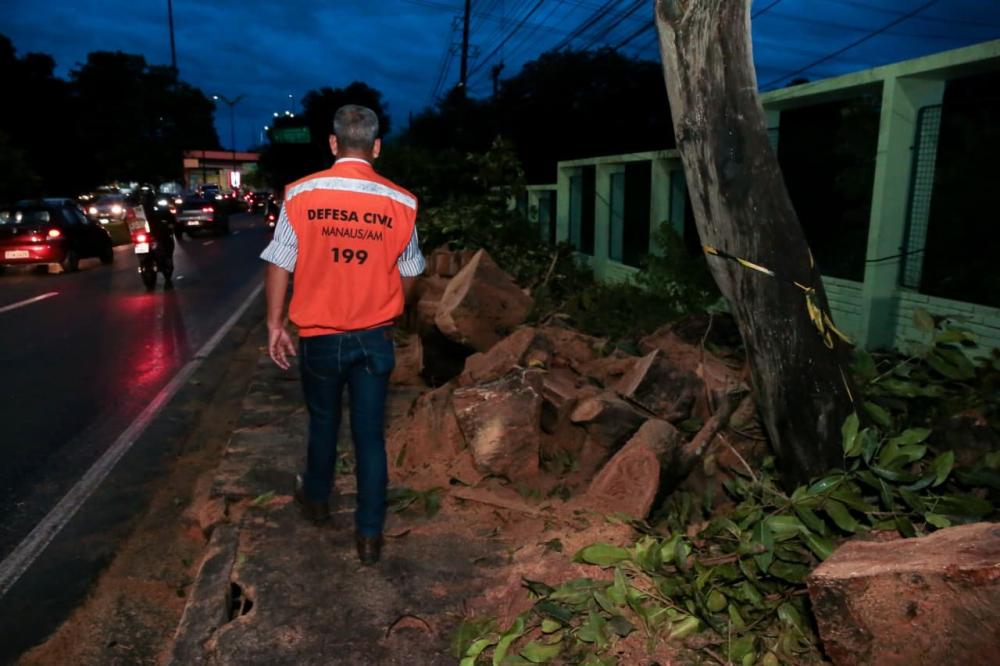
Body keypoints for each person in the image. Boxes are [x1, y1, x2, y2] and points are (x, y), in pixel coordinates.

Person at [260, 105, 425, 565]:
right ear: (376, 147)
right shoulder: (402, 202)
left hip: (320, 337)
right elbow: (412, 272)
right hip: (375, 337)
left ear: (333, 144)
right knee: (370, 436)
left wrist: (275, 324)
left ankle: (316, 501)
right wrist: (389, 304)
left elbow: (280, 262)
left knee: (323, 422)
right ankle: (369, 536)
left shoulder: (300, 194)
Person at [139, 191, 175, 288]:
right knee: (139, 246)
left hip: (159, 233)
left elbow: (169, 217)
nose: (144, 199)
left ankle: (167, 260)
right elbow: (129, 219)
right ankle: (145, 262)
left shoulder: (159, 208)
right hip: (144, 234)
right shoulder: (139, 210)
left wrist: (169, 224)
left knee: (166, 243)